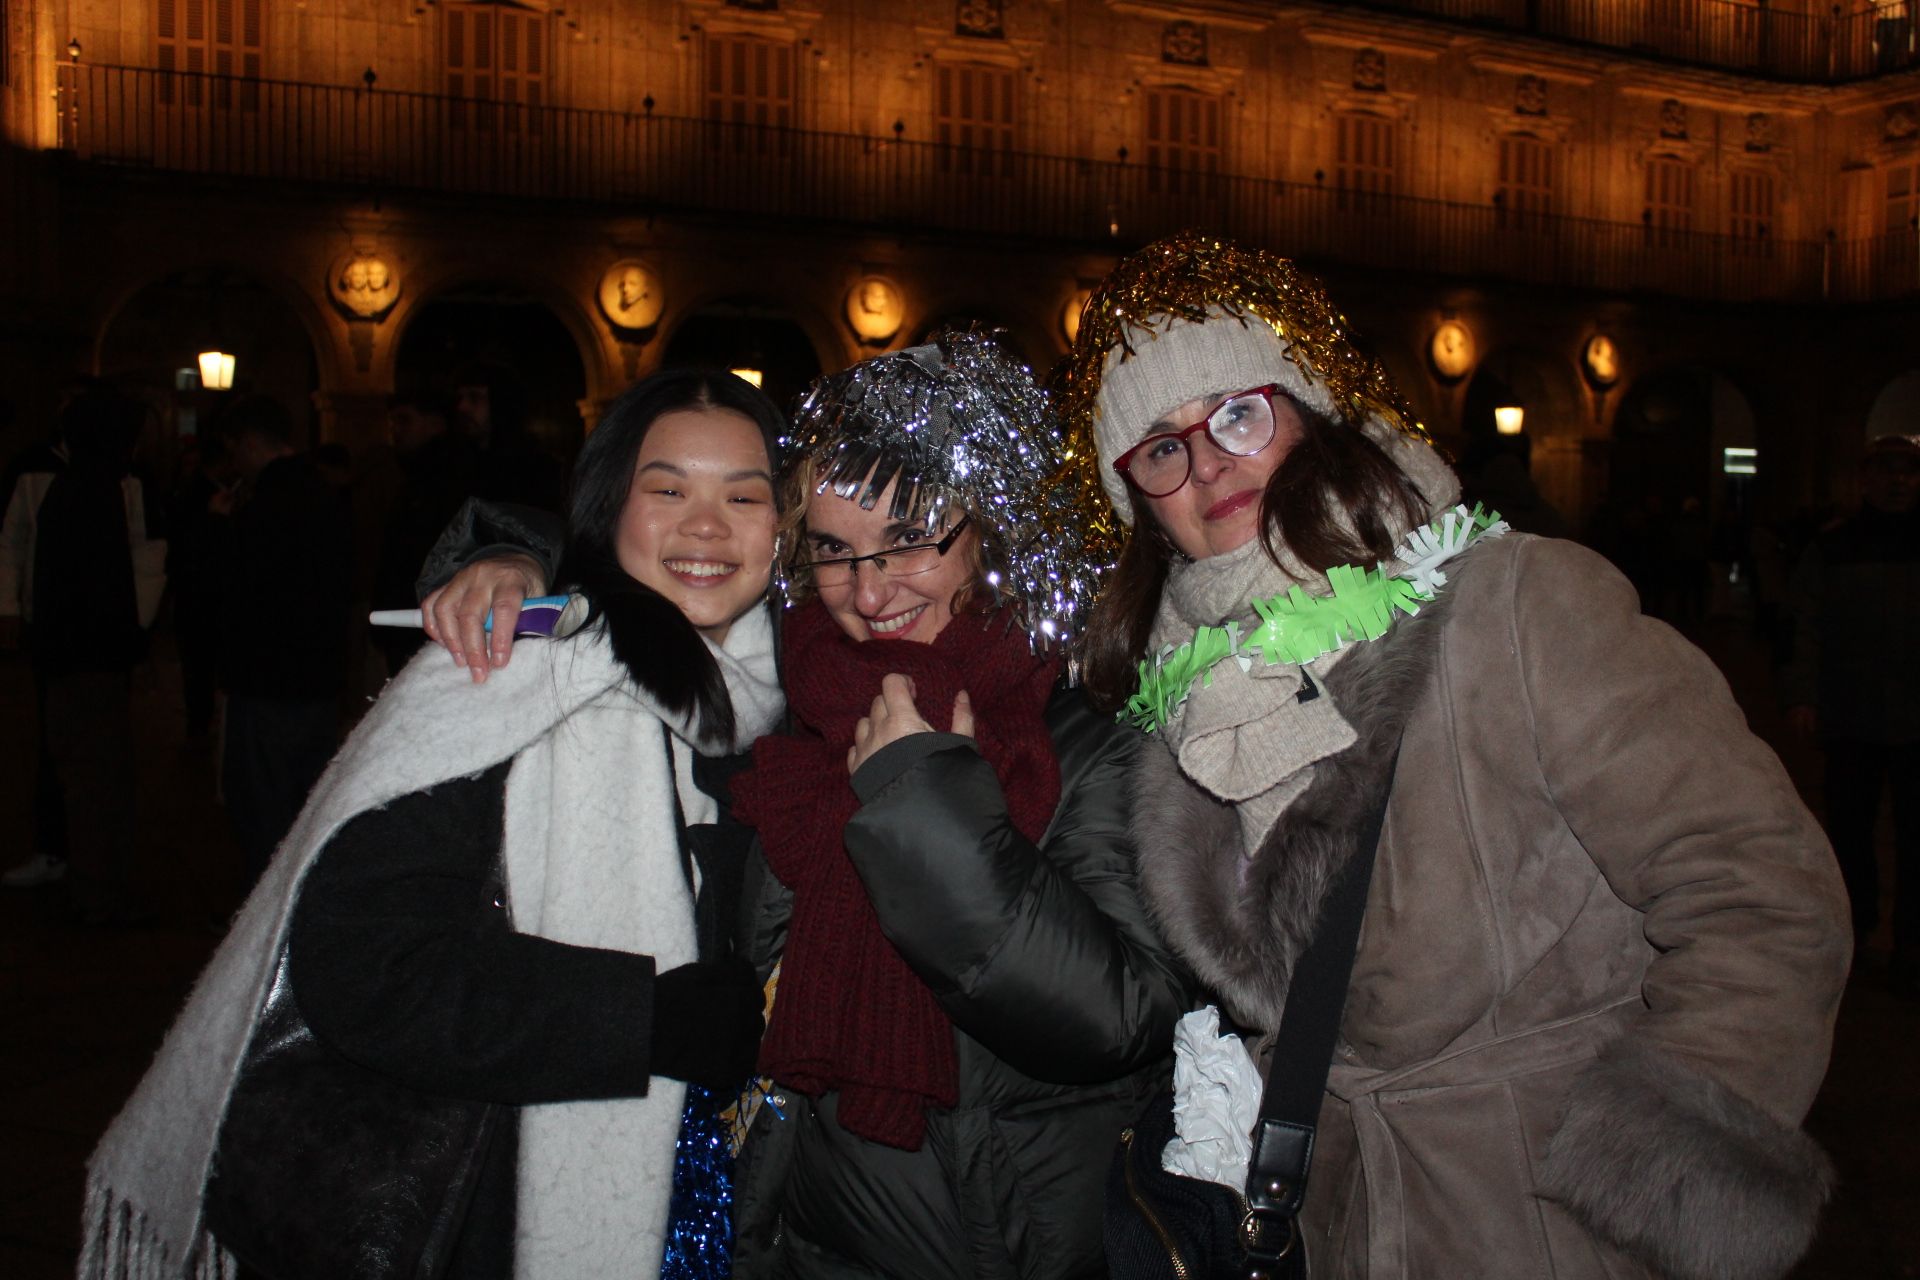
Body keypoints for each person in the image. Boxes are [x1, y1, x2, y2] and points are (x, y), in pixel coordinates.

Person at [1052, 232, 1850, 1280]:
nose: (1208, 464)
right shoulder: (1177, 715)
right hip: (1333, 1235)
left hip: (1544, 1224)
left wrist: (1646, 1184)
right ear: (1140, 503)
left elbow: (1761, 888)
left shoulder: (1513, 602)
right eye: (1160, 450)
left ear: (1312, 412)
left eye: (1237, 412)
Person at [422, 330, 1191, 1280]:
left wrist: (927, 806)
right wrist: (512, 554)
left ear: (992, 523)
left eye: (908, 537)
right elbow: (652, 586)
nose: (868, 590)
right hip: (789, 1232)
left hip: (991, 1242)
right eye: (831, 549)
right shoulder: (790, 690)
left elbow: (1116, 1019)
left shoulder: (1095, 726)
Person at [81, 370, 784, 1279]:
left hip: (710, 1206)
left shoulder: (786, 707)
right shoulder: (502, 676)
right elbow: (363, 962)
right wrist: (637, 1019)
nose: (705, 525)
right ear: (611, 506)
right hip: (486, 1203)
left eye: (743, 495)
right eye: (667, 489)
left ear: (784, 527)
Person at [0, 384, 162, 920]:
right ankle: (99, 895)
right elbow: (94, 587)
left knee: (96, 774)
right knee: (95, 779)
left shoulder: (85, 485)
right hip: (86, 661)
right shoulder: (90, 490)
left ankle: (99, 886)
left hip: (80, 658)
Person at [1783, 432, 1920, 995]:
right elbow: (1804, 624)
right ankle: (1857, 936)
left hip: (1914, 719)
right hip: (1852, 714)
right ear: (1865, 478)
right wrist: (1802, 694)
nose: (1897, 481)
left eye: (1907, 472)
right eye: (1886, 471)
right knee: (1849, 836)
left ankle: (1912, 945)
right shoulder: (1832, 547)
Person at [209, 395, 354, 890]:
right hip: (315, 676)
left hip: (268, 678)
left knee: (264, 806)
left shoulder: (266, 502)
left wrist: (216, 529)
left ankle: (268, 915)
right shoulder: (321, 492)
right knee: (306, 804)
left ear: (250, 443)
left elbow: (239, 588)